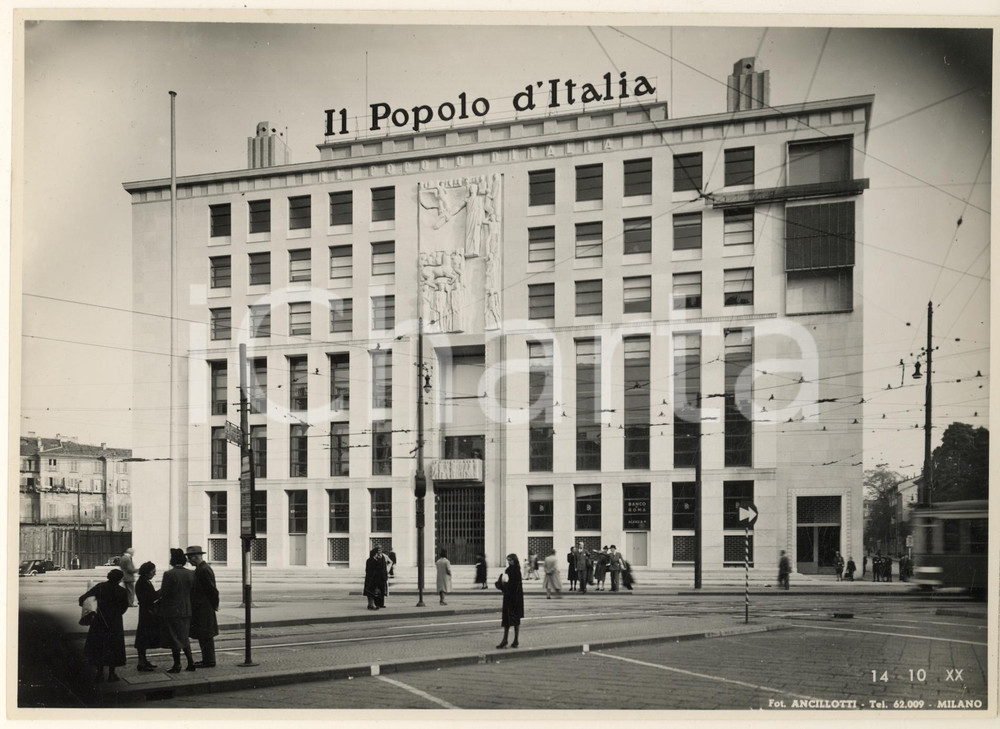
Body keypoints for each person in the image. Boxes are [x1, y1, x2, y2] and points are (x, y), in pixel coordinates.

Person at [78, 568, 129, 682]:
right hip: (115, 622)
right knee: (113, 646)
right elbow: (124, 606)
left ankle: (100, 673)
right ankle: (112, 673)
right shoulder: (121, 591)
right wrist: (116, 614)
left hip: (99, 620)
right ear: (120, 579)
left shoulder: (100, 587)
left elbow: (83, 598)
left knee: (99, 645)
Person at [157, 548, 196, 673]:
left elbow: (164, 592)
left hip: (172, 610)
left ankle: (177, 664)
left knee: (174, 637)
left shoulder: (169, 574)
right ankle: (191, 662)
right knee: (184, 637)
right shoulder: (191, 573)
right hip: (187, 609)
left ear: (172, 559)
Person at [186, 545, 219, 668]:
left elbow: (212, 590)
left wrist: (214, 605)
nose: (189, 561)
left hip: (204, 608)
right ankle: (207, 659)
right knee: (203, 634)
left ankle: (209, 661)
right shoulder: (201, 569)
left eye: (189, 558)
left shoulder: (204, 569)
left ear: (195, 557)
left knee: (206, 635)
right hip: (203, 607)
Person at [134, 561, 166, 671]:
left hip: (146, 611)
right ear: (147, 572)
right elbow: (150, 597)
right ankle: (141, 662)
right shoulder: (142, 583)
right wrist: (161, 591)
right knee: (143, 637)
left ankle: (143, 660)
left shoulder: (144, 581)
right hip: (146, 612)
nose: (154, 573)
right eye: (153, 571)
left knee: (144, 637)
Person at [496, 553, 524, 649]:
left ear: (515, 560)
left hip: (514, 598)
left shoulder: (516, 571)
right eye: (508, 560)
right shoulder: (509, 570)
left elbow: (514, 585)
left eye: (510, 560)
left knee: (514, 619)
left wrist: (503, 585)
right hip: (511, 597)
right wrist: (502, 584)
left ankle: (514, 640)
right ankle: (507, 640)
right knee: (508, 620)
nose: (509, 562)